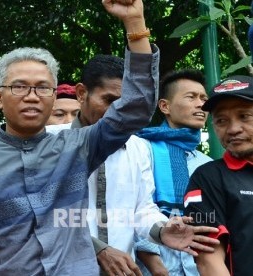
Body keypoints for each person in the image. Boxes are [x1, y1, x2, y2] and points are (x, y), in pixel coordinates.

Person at [0, 1, 219, 275]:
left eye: (42, 87)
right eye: (19, 87)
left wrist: (135, 23)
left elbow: (134, 108)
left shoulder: (77, 146)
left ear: (54, 96)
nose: (31, 95)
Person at [47, 54, 169, 276]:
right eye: (110, 100)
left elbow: (142, 210)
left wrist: (164, 230)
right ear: (82, 94)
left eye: (126, 104)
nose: (118, 111)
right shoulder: (47, 142)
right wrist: (97, 249)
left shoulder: (139, 147)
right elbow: (40, 215)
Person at [135, 69, 213, 276]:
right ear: (165, 106)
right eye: (191, 97)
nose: (201, 104)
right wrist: (154, 264)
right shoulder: (140, 150)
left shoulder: (208, 164)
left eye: (204, 98)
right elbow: (131, 208)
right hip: (152, 269)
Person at [185, 75, 253, 275]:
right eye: (221, 120)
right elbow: (208, 262)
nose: (233, 129)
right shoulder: (207, 178)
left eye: (244, 116)